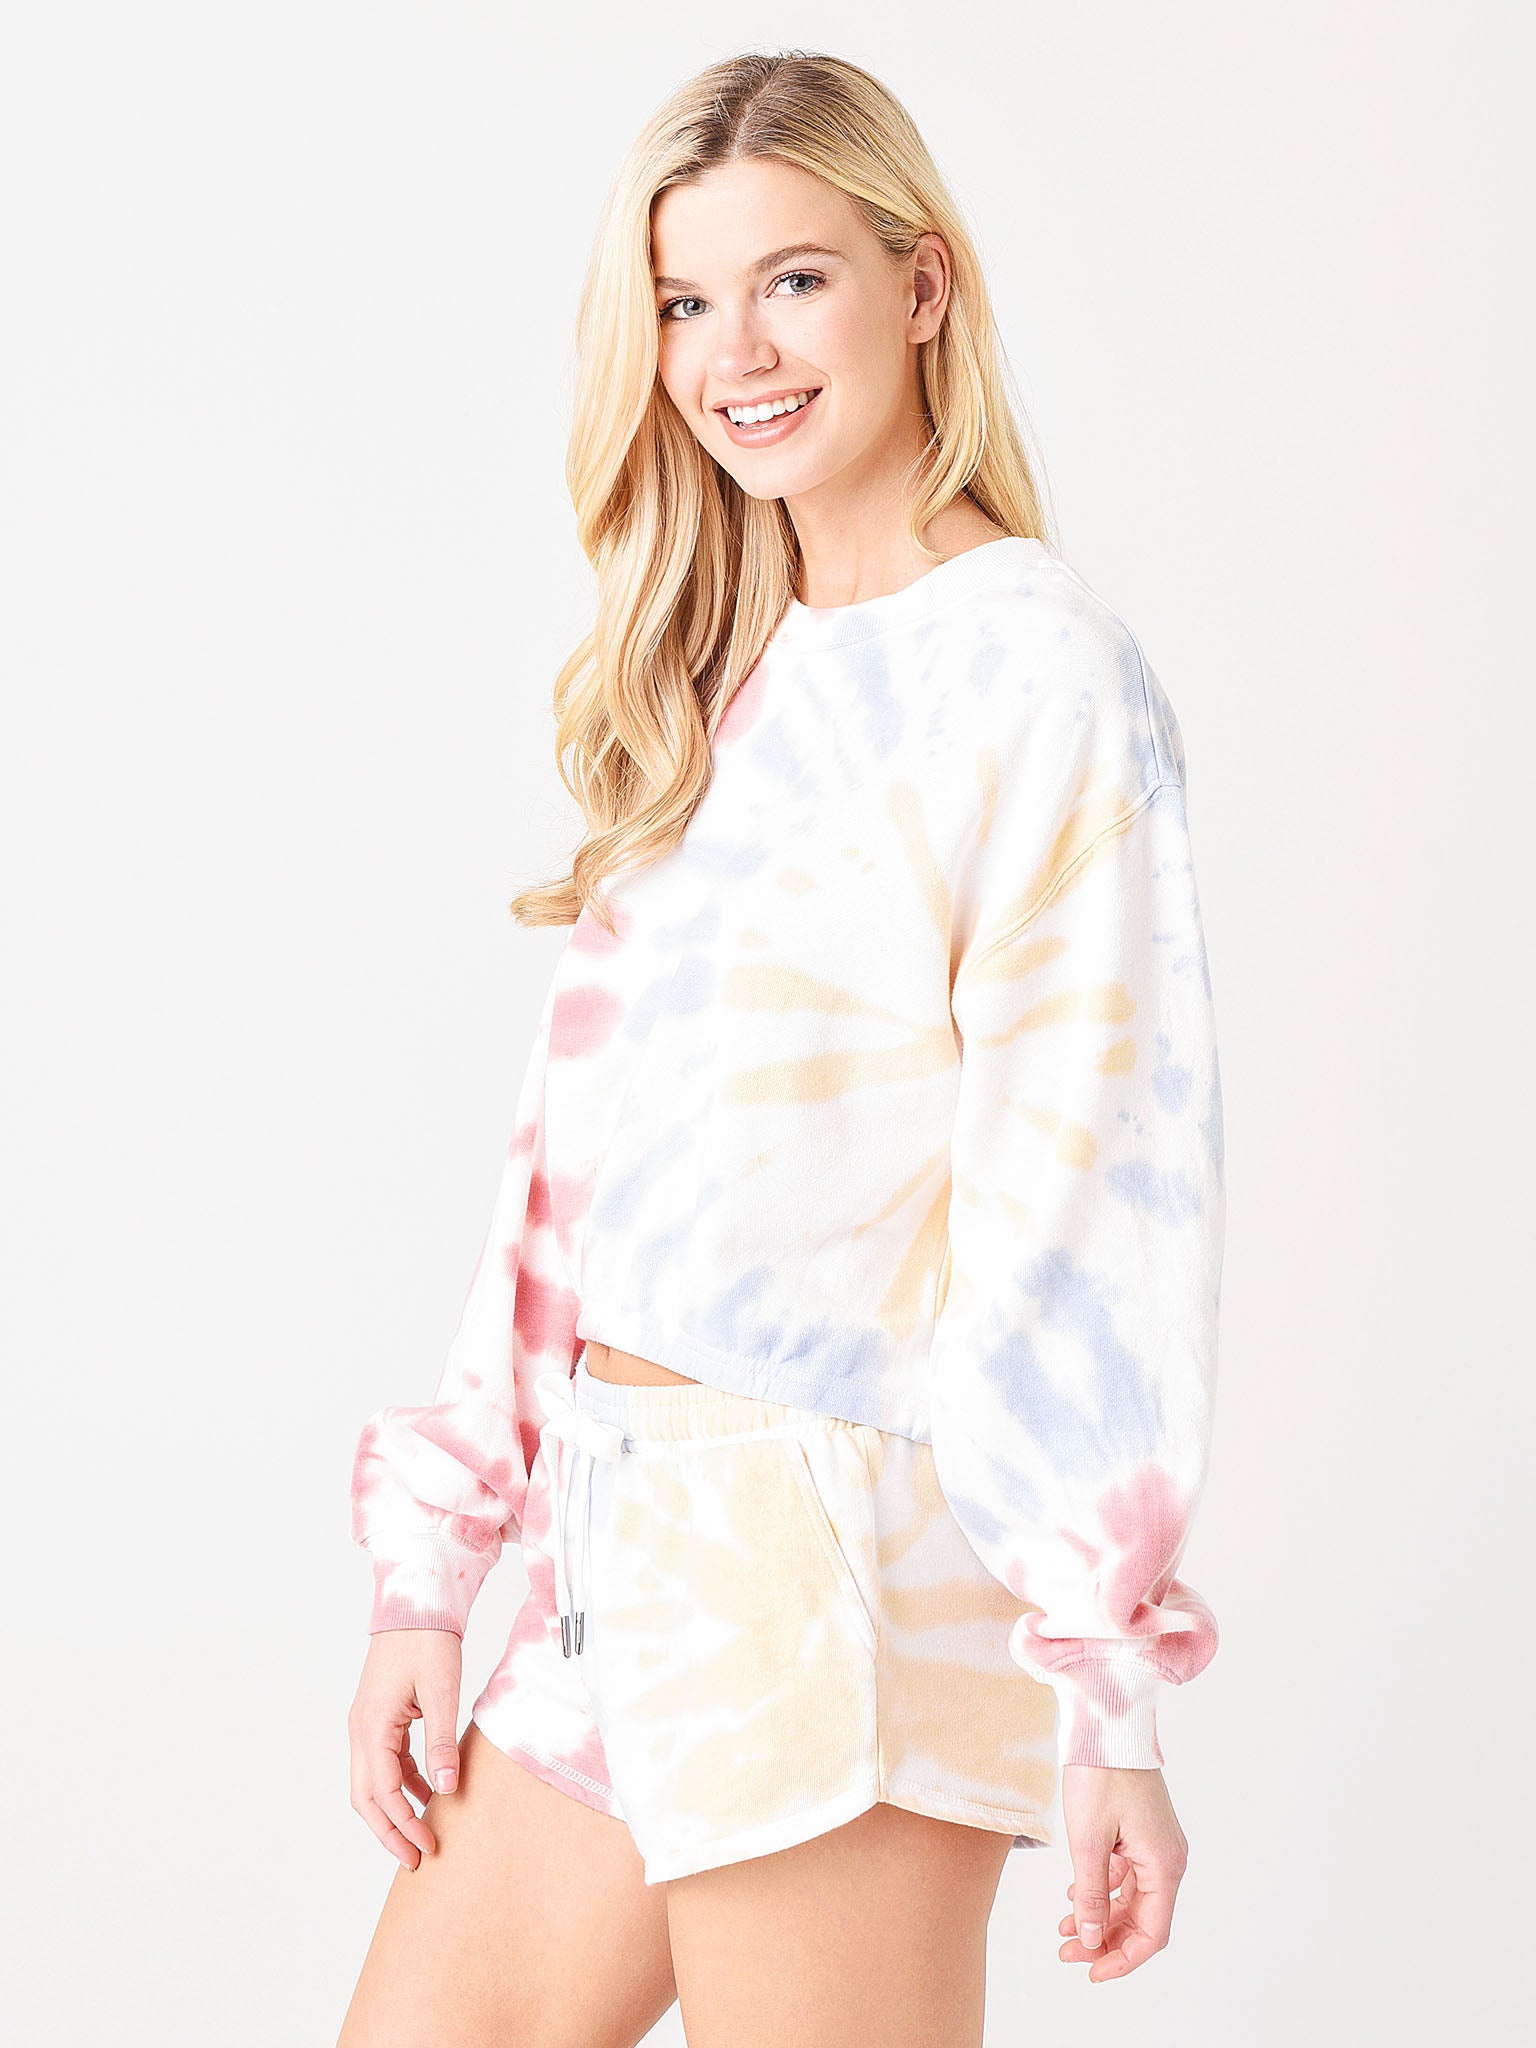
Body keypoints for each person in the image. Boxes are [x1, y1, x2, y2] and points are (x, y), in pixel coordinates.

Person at [339, 47, 1226, 2048]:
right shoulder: (742, 665)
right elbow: (571, 1157)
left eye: (793, 281)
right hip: (615, 1540)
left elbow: (1085, 1202)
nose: (731, 352)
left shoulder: (1033, 671)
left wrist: (1109, 1695)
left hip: (841, 1569)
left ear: (923, 286)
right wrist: (438, 1562)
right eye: (683, 300)